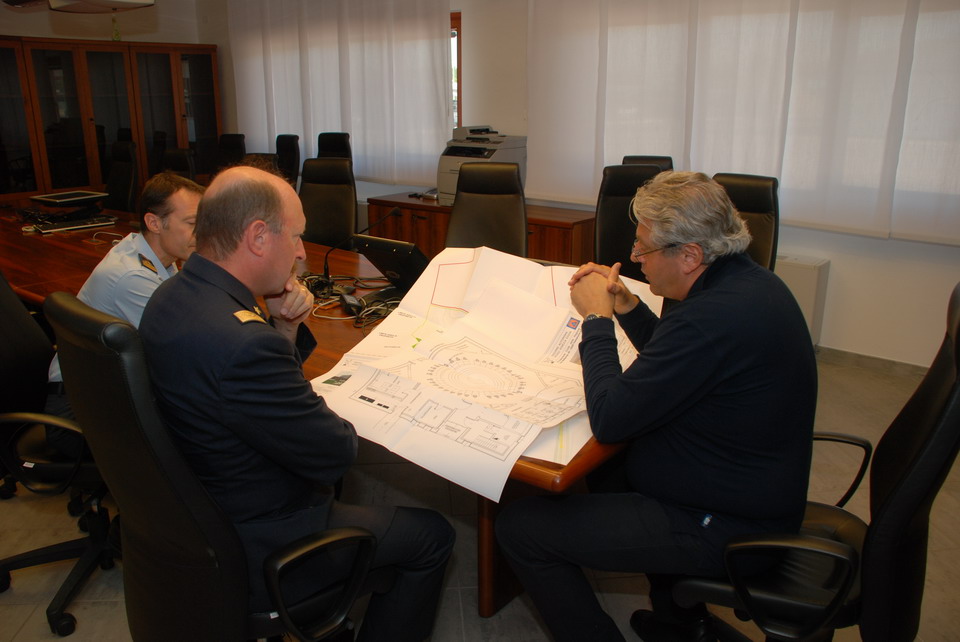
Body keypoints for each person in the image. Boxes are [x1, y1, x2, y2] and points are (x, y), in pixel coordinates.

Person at [495, 171, 817, 641]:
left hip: (724, 524)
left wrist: (597, 320)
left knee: (521, 528)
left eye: (644, 248)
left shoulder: (711, 317)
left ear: (690, 256)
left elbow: (610, 418)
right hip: (742, 485)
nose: (633, 257)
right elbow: (680, 355)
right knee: (605, 469)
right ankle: (679, 623)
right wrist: (628, 307)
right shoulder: (746, 284)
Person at [139, 166, 454, 641]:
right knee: (432, 536)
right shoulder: (243, 343)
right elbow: (335, 454)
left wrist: (283, 330)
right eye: (297, 236)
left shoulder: (171, 295)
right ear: (257, 237)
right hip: (260, 543)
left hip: (194, 517)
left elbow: (238, 397)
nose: (303, 252)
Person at [45, 172, 204, 456]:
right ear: (154, 223)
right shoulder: (133, 277)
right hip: (78, 410)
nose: (202, 234)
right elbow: (190, 348)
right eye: (192, 223)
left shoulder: (153, 257)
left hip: (100, 390)